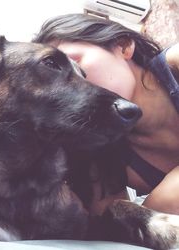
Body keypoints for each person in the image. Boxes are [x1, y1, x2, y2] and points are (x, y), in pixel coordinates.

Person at [32, 13, 179, 215]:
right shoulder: (108, 158)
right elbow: (113, 225)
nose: (72, 90)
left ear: (124, 46)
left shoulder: (175, 64)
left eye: (75, 64)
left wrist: (161, 203)